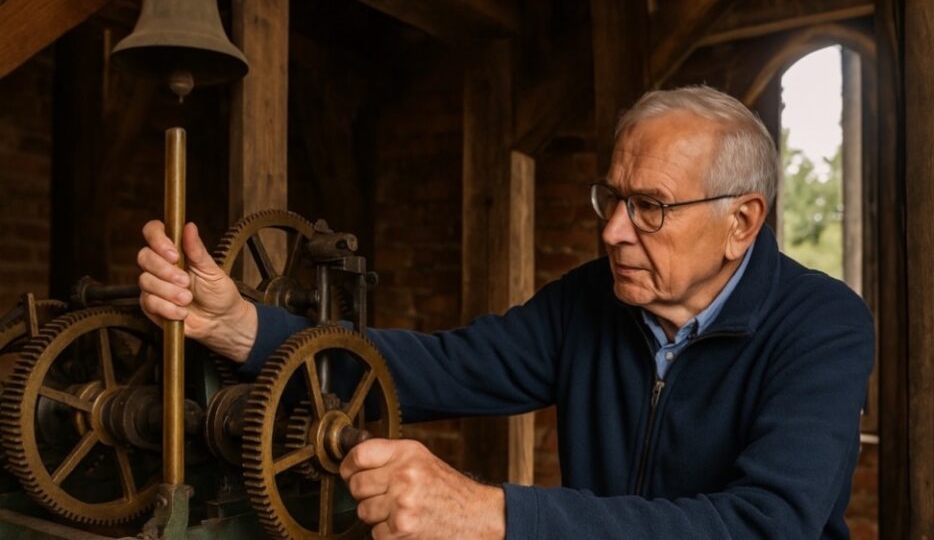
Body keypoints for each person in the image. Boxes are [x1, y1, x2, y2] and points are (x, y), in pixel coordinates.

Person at [137, 85, 873, 539]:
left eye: (649, 207)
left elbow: (761, 526)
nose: (614, 230)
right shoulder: (591, 300)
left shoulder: (822, 326)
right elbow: (434, 368)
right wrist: (244, 327)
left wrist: (494, 515)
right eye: (610, 198)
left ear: (743, 221)